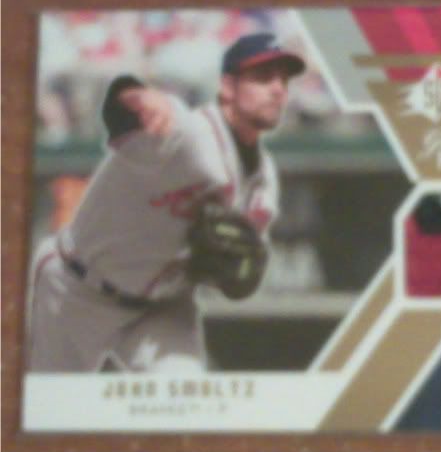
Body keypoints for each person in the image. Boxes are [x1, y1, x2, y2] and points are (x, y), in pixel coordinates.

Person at [26, 33, 306, 372]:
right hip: (77, 289)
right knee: (46, 402)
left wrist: (238, 274)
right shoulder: (185, 131)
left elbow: (240, 282)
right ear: (228, 87)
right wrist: (136, 95)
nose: (277, 89)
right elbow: (124, 109)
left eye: (283, 80)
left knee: (184, 396)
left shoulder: (264, 180)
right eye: (263, 78)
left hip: (162, 309)